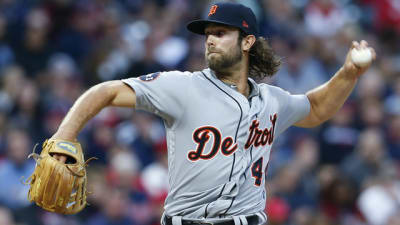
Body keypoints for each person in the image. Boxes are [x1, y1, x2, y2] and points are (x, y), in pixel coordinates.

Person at [51, 2, 375, 225]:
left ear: (247, 42)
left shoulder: (271, 101)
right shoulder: (181, 88)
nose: (210, 41)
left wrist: (348, 73)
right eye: (208, 34)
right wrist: (64, 135)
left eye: (221, 33)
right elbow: (106, 91)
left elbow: (317, 108)